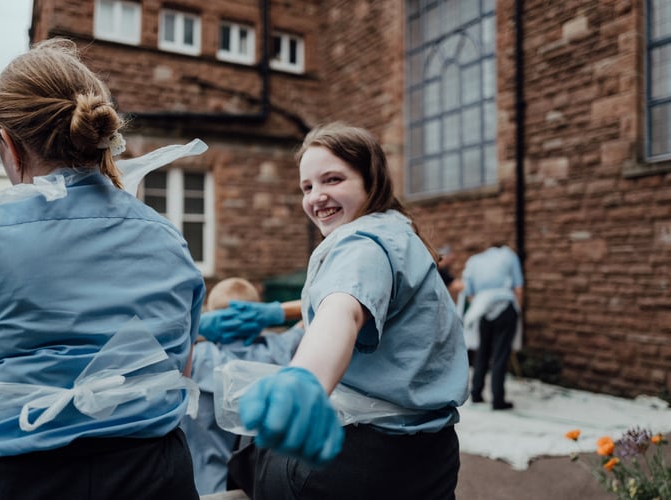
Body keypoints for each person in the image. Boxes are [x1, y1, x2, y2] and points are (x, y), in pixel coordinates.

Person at [0, 38, 205, 500]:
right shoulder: (168, 238)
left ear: (7, 143)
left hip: (6, 480)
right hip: (151, 476)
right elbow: (179, 360)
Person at [229, 123, 470, 500]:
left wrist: (306, 378)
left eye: (333, 179)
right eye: (307, 187)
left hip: (361, 465)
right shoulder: (399, 232)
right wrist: (278, 313)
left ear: (370, 180)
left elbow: (344, 309)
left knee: (246, 447)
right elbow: (359, 297)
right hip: (432, 458)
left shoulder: (360, 244)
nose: (317, 197)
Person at [180, 277, 304, 495]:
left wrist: (195, 325)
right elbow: (323, 314)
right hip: (262, 488)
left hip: (205, 489)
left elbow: (160, 339)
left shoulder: (195, 359)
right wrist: (278, 313)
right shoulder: (282, 350)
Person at [457, 242, 524, 410]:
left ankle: (477, 393)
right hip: (504, 305)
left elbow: (469, 293)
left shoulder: (474, 261)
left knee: (483, 350)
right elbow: (518, 287)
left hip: (482, 308)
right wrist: (517, 311)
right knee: (500, 353)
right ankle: (498, 399)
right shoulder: (509, 255)